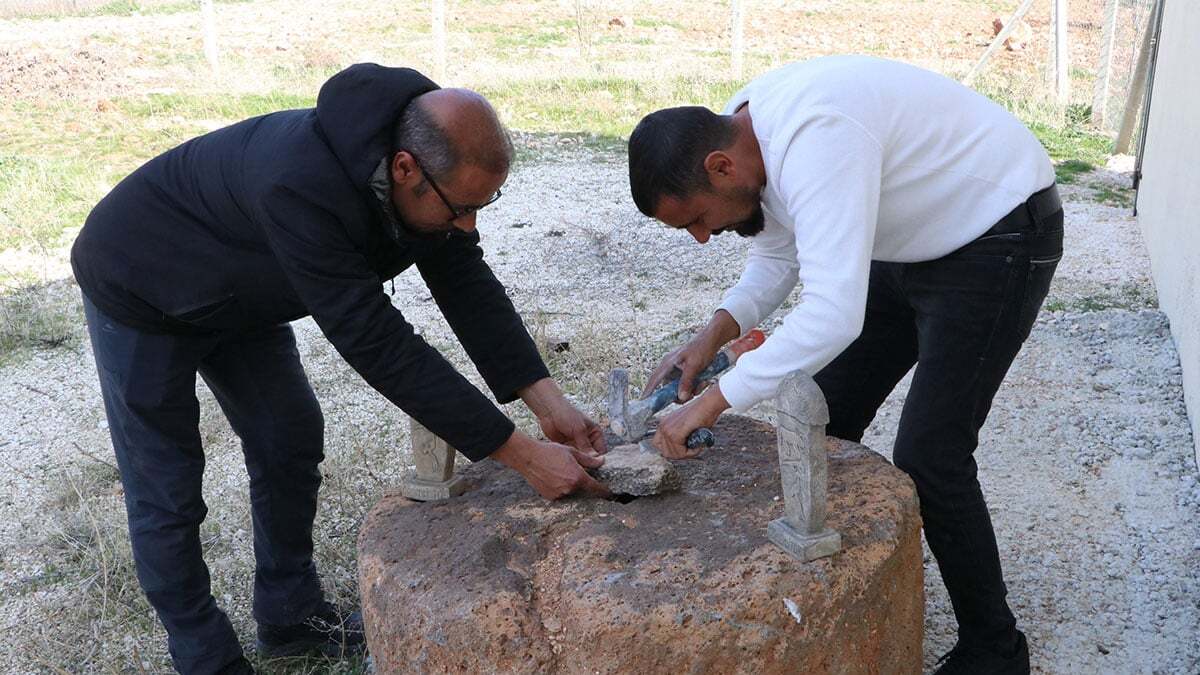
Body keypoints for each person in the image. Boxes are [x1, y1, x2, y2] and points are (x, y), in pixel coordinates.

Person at [71, 63, 609, 675]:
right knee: (166, 484)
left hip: (243, 288)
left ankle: (290, 615)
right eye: (463, 207)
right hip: (140, 286)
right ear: (405, 169)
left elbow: (465, 282)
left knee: (288, 436)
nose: (470, 224)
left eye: (484, 205)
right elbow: (377, 343)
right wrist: (523, 455)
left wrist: (549, 404)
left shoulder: (422, 166)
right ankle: (201, 651)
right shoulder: (298, 186)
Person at [628, 55, 1062, 674]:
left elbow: (834, 313)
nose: (702, 237)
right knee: (823, 419)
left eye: (697, 219)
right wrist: (712, 335)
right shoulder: (742, 134)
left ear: (720, 167)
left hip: (995, 234)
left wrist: (711, 402)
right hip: (909, 241)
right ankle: (841, 580)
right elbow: (780, 252)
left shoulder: (815, 134)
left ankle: (995, 650)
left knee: (931, 454)